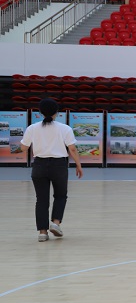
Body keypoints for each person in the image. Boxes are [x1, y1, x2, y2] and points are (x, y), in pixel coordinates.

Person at [20, 98, 83, 242]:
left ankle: (42, 232)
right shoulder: (65, 128)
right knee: (60, 196)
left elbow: (23, 148)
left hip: (39, 165)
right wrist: (78, 165)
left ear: (40, 112)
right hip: (59, 165)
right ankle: (55, 223)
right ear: (57, 112)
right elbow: (72, 148)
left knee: (41, 200)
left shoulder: (32, 128)